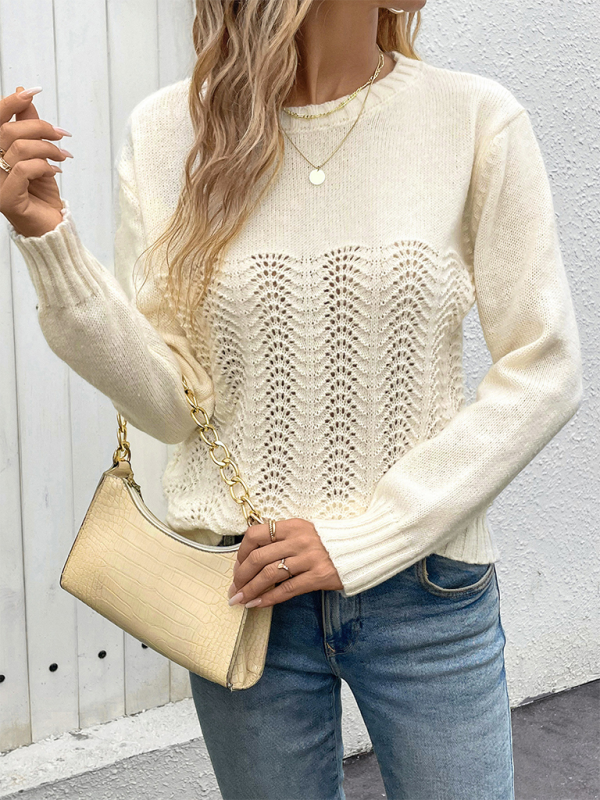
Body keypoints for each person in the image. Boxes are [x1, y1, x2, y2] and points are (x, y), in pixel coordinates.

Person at [0, 1, 583, 798]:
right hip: (245, 596)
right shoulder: (169, 132)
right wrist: (47, 236)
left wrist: (369, 535)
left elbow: (546, 367)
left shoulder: (476, 119)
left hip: (424, 588)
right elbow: (169, 407)